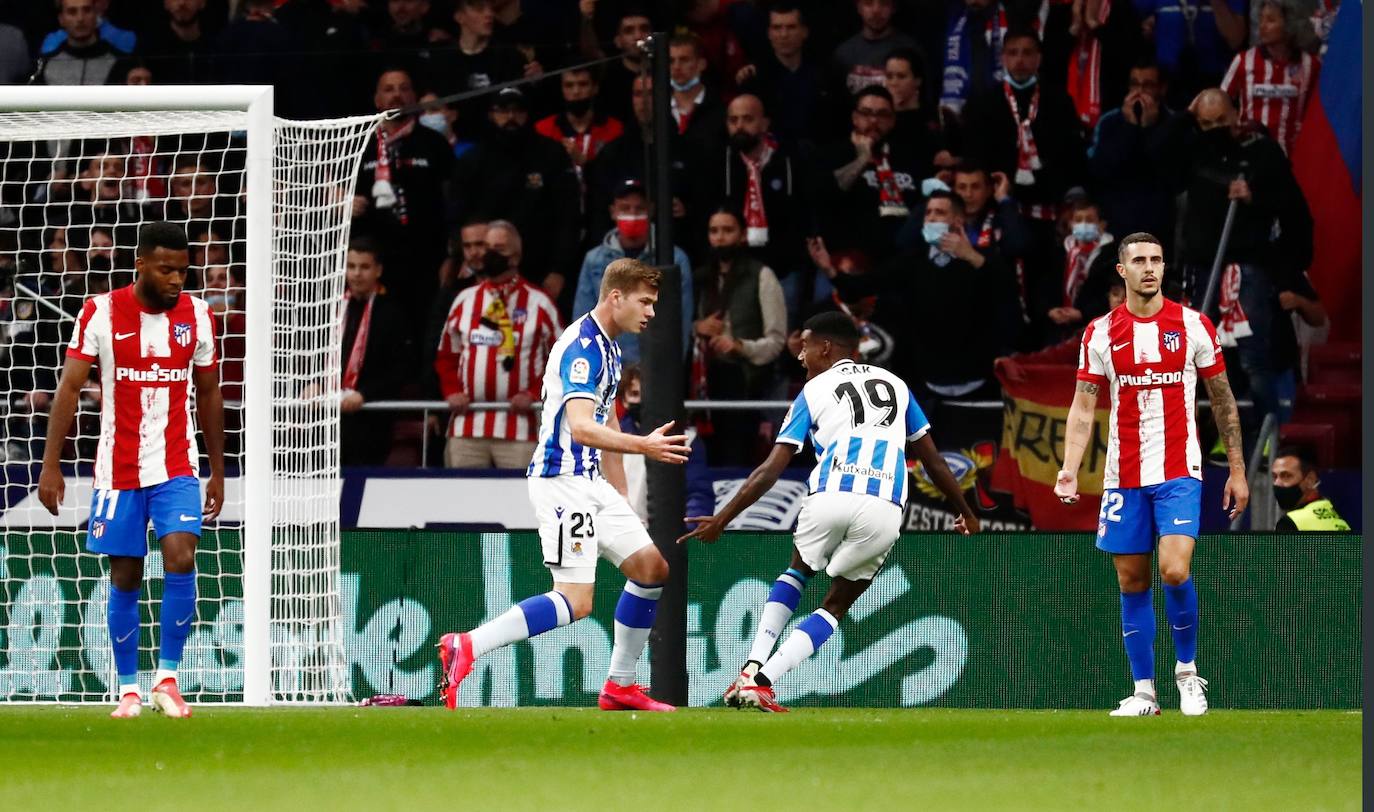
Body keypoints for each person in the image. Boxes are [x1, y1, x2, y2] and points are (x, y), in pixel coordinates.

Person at [679, 312, 979, 712]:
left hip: (830, 495)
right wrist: (965, 510)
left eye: (804, 346)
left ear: (825, 347)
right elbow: (934, 462)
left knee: (798, 570)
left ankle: (752, 667)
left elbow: (772, 468)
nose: (800, 356)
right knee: (836, 604)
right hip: (884, 507)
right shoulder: (897, 386)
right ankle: (764, 681)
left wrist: (723, 517)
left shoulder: (815, 390)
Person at [436, 259, 691, 712]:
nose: (651, 312)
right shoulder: (581, 348)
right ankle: (467, 644)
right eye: (645, 302)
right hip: (561, 481)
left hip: (591, 482)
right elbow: (580, 427)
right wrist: (645, 447)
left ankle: (620, 687)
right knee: (576, 600)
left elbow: (606, 418)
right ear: (616, 296)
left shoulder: (611, 347)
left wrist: (622, 499)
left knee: (652, 568)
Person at [1054, 231, 1249, 717]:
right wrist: (1069, 468)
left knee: (1175, 568)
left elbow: (1223, 400)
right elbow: (1083, 406)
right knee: (1131, 580)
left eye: (1156, 260)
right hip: (1124, 475)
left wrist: (1238, 470)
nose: (1149, 268)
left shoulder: (1193, 325)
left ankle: (1186, 674)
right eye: (1138, 260)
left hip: (1180, 469)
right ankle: (1144, 692)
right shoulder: (1100, 332)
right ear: (1121, 270)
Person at [37, 222, 224, 719]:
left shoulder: (199, 316)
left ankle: (167, 678)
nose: (177, 280)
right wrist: (50, 465)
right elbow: (69, 389)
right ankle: (127, 690)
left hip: (176, 464)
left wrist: (219, 472)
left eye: (184, 271)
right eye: (167, 269)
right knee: (126, 572)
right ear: (140, 264)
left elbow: (208, 393)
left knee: (181, 557)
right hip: (117, 470)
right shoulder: (99, 312)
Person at [434, 221, 561, 469]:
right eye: (486, 246)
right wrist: (451, 390)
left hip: (521, 429)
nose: (488, 254)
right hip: (466, 427)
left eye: (498, 248)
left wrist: (534, 393)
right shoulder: (464, 300)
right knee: (463, 503)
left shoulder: (540, 303)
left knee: (520, 504)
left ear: (515, 256)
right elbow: (447, 355)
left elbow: (563, 359)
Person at [452, 87, 580, 304]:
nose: (510, 117)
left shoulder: (551, 154)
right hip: (487, 270)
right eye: (503, 110)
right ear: (492, 114)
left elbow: (569, 216)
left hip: (541, 269)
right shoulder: (472, 160)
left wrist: (559, 270)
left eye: (517, 110)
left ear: (527, 114)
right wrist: (464, 261)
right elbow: (458, 216)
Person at [354, 68, 456, 323]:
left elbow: (453, 202)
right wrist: (344, 202)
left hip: (426, 260)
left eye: (403, 88)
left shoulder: (434, 143)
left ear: (414, 97)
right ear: (377, 100)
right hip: (375, 263)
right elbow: (339, 193)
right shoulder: (359, 145)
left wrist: (452, 256)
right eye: (389, 89)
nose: (396, 95)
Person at [691, 208, 787, 465]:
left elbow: (777, 341)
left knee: (739, 457)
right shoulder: (699, 278)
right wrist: (697, 327)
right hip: (703, 382)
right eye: (714, 231)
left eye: (727, 230)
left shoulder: (761, 275)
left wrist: (740, 346)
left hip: (747, 383)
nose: (720, 237)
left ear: (743, 234)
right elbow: (679, 328)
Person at [573, 179, 693, 364]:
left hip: (657, 371)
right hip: (607, 368)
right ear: (613, 212)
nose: (632, 214)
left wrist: (671, 372)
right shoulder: (594, 261)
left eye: (639, 208)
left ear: (651, 210)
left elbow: (682, 324)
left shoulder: (674, 258)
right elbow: (583, 321)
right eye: (625, 208)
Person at [331, 238, 413, 465]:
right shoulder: (331, 307)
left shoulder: (392, 312)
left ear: (378, 270)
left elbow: (400, 368)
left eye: (364, 267)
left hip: (369, 418)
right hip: (326, 418)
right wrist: (312, 383)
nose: (357, 274)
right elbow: (311, 354)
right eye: (351, 267)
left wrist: (365, 394)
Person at [1087, 60, 1180, 242]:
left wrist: (1149, 129)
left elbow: (1171, 175)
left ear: (1162, 89)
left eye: (1148, 85)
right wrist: (1129, 129)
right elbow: (1100, 171)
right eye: (1135, 84)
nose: (1139, 92)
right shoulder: (1109, 122)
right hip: (1115, 227)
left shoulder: (1174, 124)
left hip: (1158, 229)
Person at [1221, 0, 1320, 156]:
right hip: (1250, 154)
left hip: (1294, 158)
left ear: (1290, 23)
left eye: (1271, 20)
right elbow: (1222, 103)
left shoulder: (1310, 65)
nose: (1262, 25)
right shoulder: (1243, 60)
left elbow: (1317, 114)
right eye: (1261, 19)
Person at [736, 2, 832, 151]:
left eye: (791, 27)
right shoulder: (754, 79)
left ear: (804, 32)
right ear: (769, 33)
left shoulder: (823, 76)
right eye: (777, 28)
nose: (784, 35)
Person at [832, 0, 921, 95]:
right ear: (858, 7)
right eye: (868, 3)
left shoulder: (910, 50)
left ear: (893, 8)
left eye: (884, 3)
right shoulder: (844, 53)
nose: (876, 10)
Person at [36, 0, 129, 86]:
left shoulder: (121, 62)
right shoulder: (45, 65)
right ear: (61, 19)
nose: (80, 18)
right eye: (72, 12)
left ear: (96, 15)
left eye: (87, 10)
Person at [1272, 446, 1350, 531]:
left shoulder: (1290, 523)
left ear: (1310, 479)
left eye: (1286, 476)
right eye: (1274, 477)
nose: (1277, 483)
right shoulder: (1344, 512)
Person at [139, 0, 214, 85]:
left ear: (202, 2)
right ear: (166, 3)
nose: (182, 3)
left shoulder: (218, 47)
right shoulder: (149, 48)